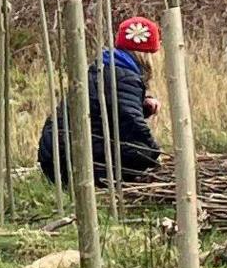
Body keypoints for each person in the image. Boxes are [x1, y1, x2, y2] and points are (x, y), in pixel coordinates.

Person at [37, 13, 163, 188]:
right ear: (146, 54)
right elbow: (131, 122)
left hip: (56, 154)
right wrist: (155, 151)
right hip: (71, 158)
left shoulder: (106, 68)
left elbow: (110, 113)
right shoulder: (123, 77)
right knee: (143, 153)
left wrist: (143, 107)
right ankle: (106, 182)